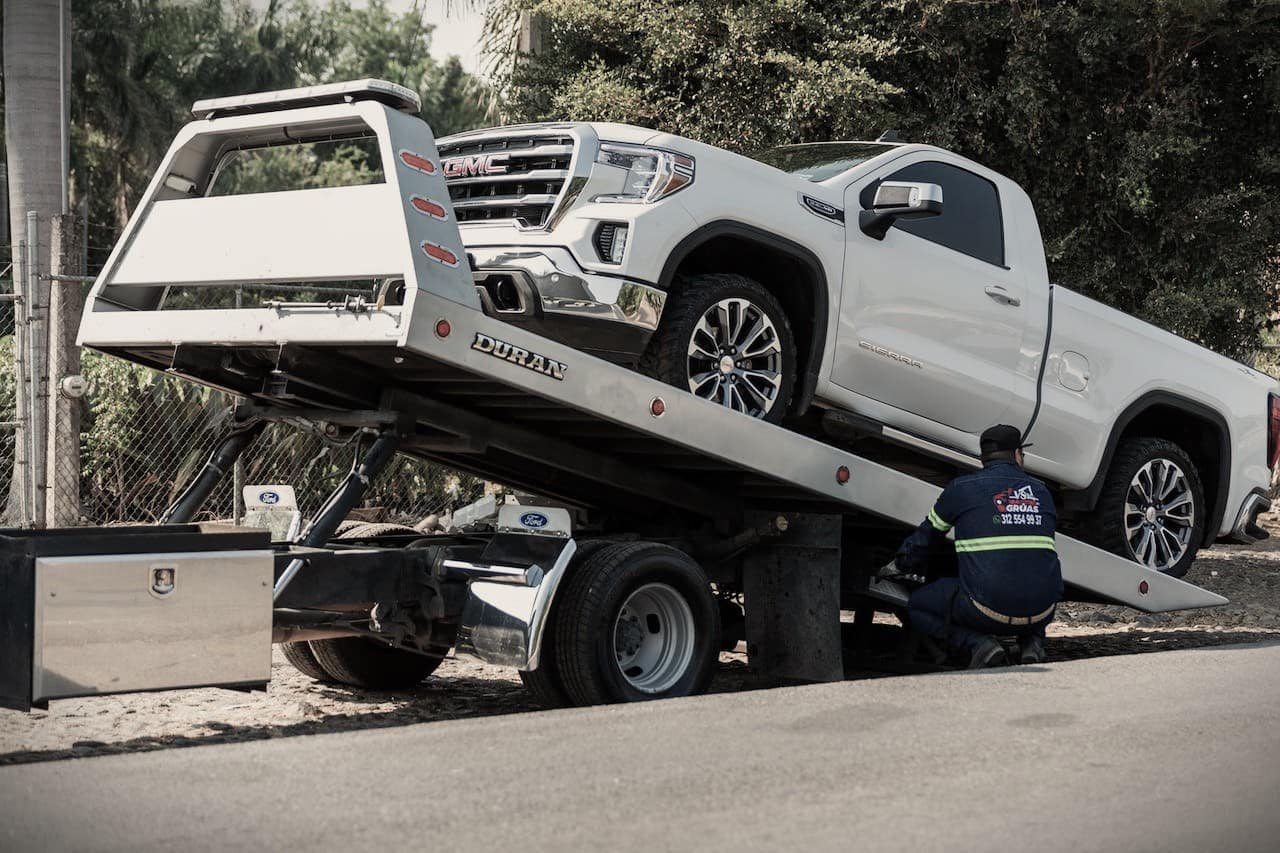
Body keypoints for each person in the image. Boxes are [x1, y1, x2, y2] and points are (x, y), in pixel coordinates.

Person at [894, 424, 1064, 668]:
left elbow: (925, 538)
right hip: (1044, 611)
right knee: (1030, 577)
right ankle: (1032, 644)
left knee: (918, 606)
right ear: (1017, 455)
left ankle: (978, 645)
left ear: (983, 458)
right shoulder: (1042, 492)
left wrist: (901, 562)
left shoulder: (961, 489)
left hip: (985, 611)